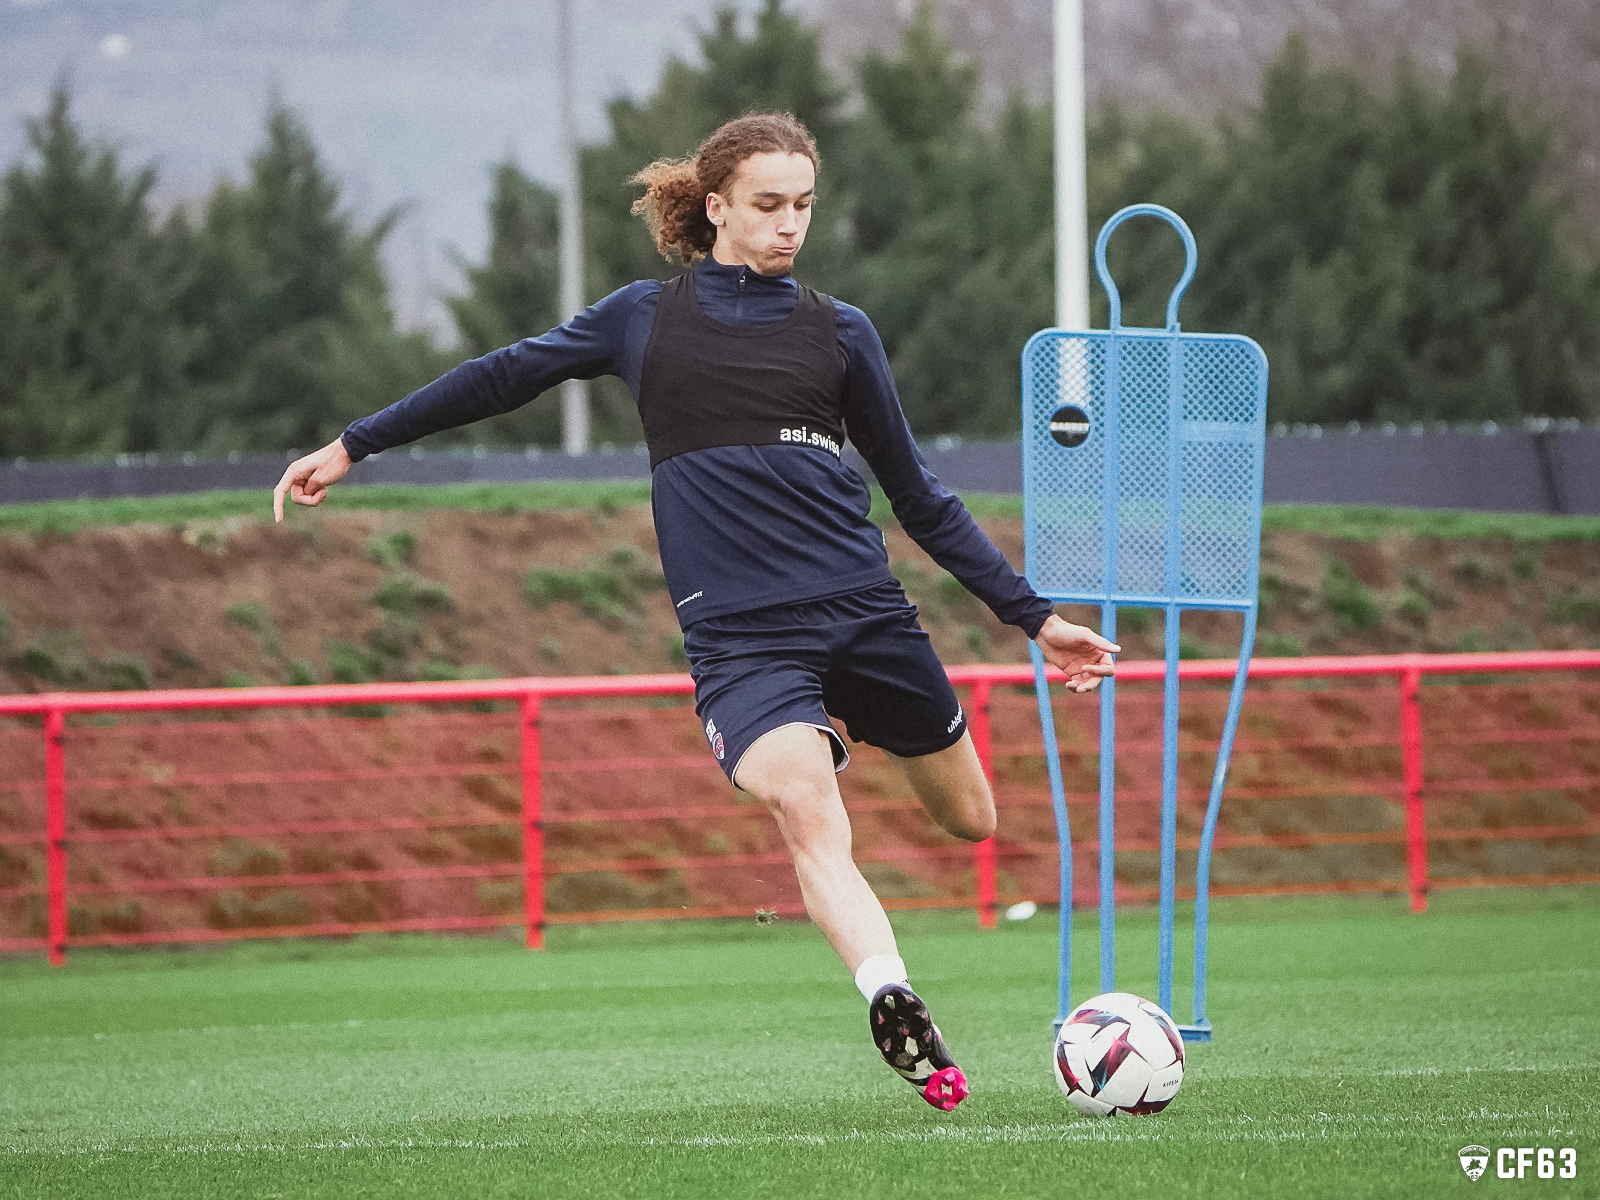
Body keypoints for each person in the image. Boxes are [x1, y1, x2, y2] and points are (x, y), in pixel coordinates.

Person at [273, 111, 1118, 1112]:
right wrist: (355, 444)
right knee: (806, 805)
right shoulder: (644, 318)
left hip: (863, 612)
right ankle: (891, 996)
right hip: (743, 638)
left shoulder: (841, 333)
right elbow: (504, 374)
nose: (789, 224)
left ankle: (851, 731)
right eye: (767, 204)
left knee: (971, 821)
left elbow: (920, 498)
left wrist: (1034, 618)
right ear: (716, 206)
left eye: (803, 205)